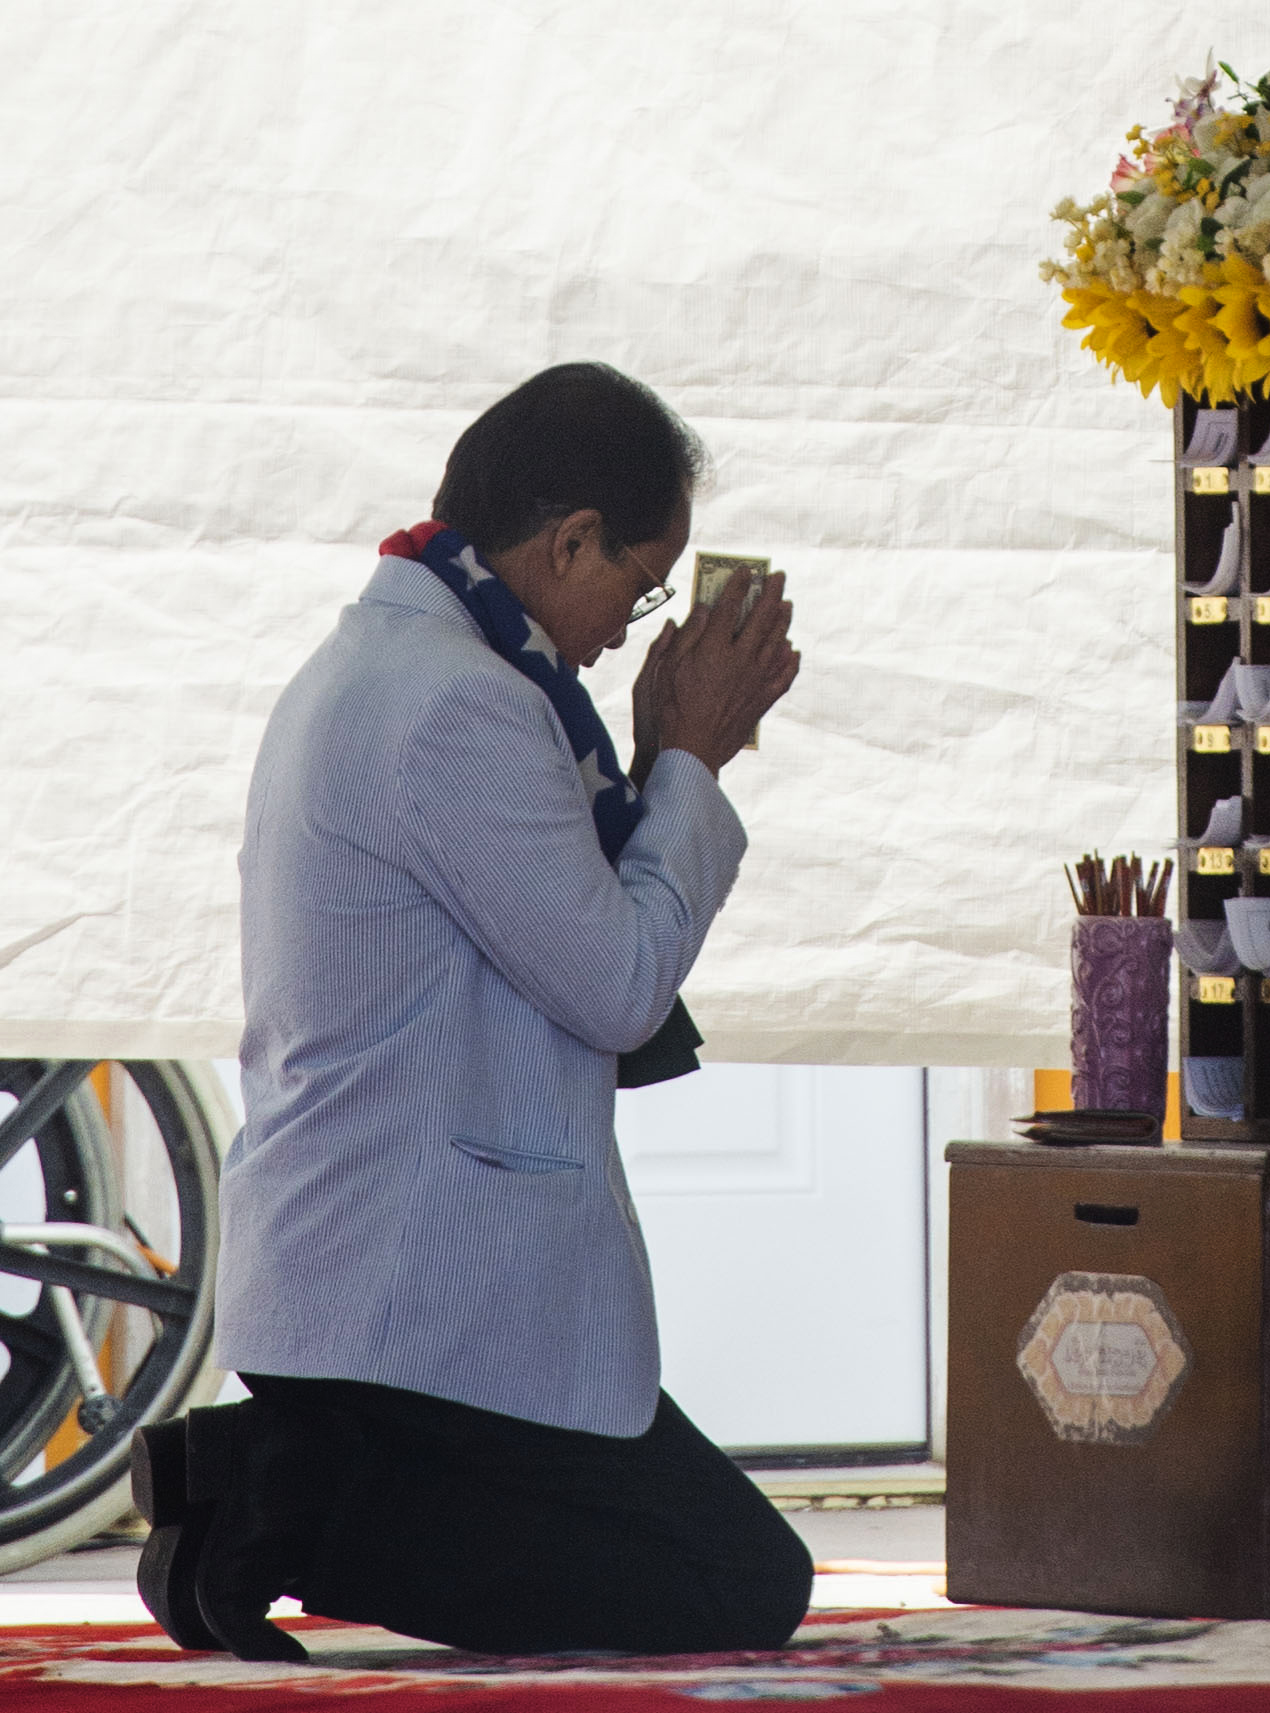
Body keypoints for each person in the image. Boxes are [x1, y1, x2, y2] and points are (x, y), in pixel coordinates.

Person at [131, 363, 807, 1661]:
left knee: (717, 1563)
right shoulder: (462, 705)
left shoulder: (392, 661)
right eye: (640, 578)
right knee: (730, 1581)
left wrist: (664, 758)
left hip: (366, 1283)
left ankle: (273, 1480)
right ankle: (282, 1504)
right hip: (416, 1293)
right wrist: (689, 762)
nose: (633, 621)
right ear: (566, 541)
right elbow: (615, 984)